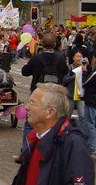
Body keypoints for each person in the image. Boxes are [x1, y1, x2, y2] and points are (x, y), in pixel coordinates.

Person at [0, 83, 94, 185]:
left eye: (33, 103)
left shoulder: (73, 146)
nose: (26, 107)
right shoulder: (36, 139)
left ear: (50, 112)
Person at [18, 33, 69, 163]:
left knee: (30, 124)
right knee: (54, 123)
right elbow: (66, 73)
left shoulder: (37, 57)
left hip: (37, 93)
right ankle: (51, 151)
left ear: (42, 43)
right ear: (55, 44)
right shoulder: (60, 58)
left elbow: (25, 71)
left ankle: (26, 152)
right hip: (54, 95)